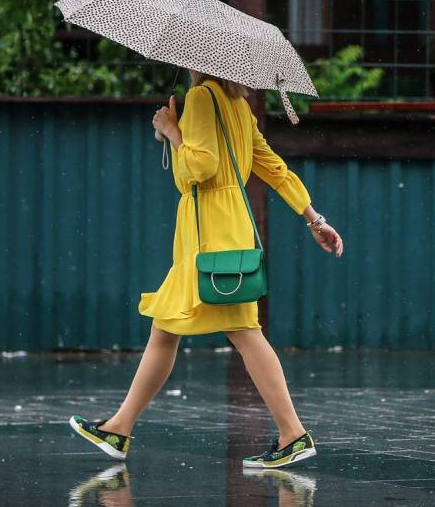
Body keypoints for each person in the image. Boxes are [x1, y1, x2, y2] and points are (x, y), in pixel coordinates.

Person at [70, 71, 344, 469]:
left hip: (209, 232)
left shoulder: (201, 98)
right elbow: (274, 168)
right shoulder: (238, 104)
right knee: (169, 326)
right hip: (224, 229)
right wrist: (314, 219)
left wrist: (172, 131)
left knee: (242, 331)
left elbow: (199, 168)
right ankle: (119, 427)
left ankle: (293, 434)